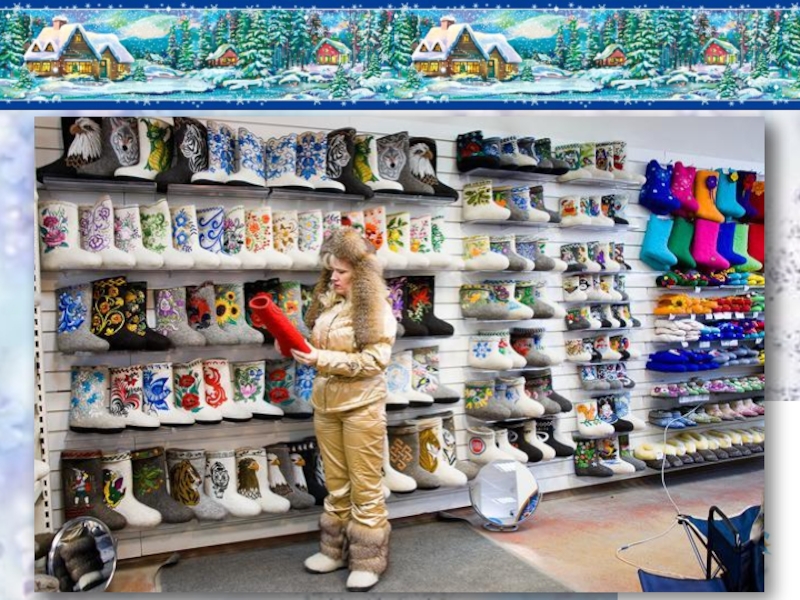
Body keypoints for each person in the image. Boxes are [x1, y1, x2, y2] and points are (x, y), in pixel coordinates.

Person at [290, 227, 397, 592]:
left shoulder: (376, 310)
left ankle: (367, 559)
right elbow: (321, 350)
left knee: (365, 486)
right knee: (335, 484)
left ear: (361, 273)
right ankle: (334, 551)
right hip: (326, 404)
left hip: (362, 406)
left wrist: (320, 358)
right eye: (331, 270)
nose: (333, 277)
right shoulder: (331, 306)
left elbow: (374, 361)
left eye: (342, 271)